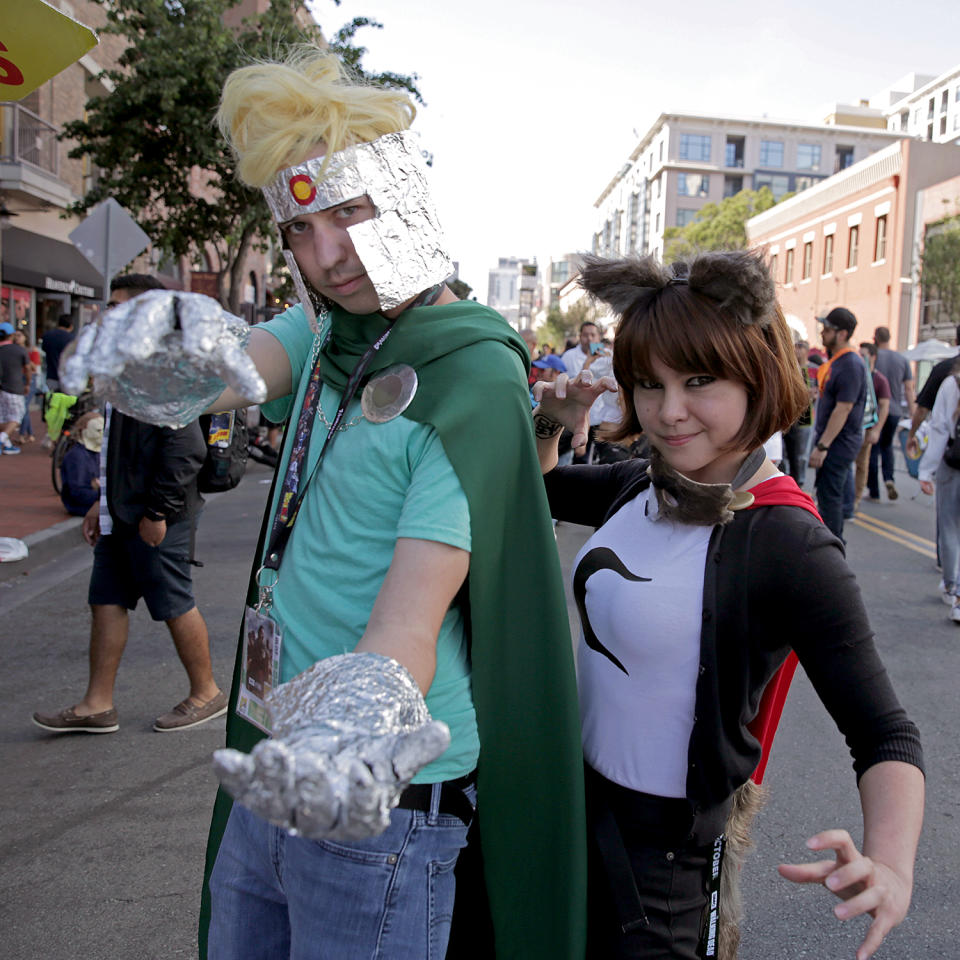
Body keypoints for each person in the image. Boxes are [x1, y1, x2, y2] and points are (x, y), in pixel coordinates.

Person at [60, 47, 585, 960]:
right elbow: (235, 373)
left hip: (373, 793)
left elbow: (414, 617)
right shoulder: (326, 328)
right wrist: (159, 361)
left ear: (411, 209)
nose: (327, 254)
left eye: (350, 212)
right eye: (301, 227)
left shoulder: (471, 376)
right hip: (279, 758)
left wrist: (359, 716)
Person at [532, 251, 925, 960]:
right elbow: (539, 489)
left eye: (700, 380)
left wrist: (891, 867)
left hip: (665, 873)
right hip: (572, 818)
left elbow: (885, 733)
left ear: (756, 373)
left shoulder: (787, 541)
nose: (668, 410)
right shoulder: (641, 486)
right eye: (650, 383)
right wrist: (553, 423)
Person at [33, 274, 226, 735]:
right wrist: (101, 502)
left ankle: (207, 693)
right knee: (107, 599)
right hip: (122, 511)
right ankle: (97, 704)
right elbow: (116, 448)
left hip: (157, 514)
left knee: (174, 601)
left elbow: (186, 449)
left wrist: (157, 513)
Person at [808, 307, 867, 540]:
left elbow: (844, 408)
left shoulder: (850, 363)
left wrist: (823, 446)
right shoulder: (838, 362)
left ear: (842, 334)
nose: (822, 333)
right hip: (834, 442)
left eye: (828, 329)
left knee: (831, 500)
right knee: (827, 496)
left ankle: (833, 552)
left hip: (838, 444)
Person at [917, 364, 960, 619]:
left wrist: (926, 471)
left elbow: (940, 429)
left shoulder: (952, 383)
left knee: (950, 527)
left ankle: (952, 588)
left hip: (954, 463)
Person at [870, 326, 914, 502]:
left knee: (873, 448)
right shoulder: (902, 359)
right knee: (887, 446)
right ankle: (889, 479)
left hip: (876, 411)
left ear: (875, 339)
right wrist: (912, 413)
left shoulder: (874, 357)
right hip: (895, 410)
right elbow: (909, 388)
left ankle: (873, 490)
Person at [854, 344, 891, 509]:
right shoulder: (856, 374)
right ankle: (847, 499)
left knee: (862, 463)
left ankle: (855, 499)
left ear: (873, 356)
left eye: (864, 355)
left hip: (867, 426)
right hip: (851, 427)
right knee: (847, 464)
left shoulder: (879, 379)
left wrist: (876, 430)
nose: (860, 357)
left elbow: (884, 406)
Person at [780, 340, 815, 486]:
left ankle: (799, 481)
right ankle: (787, 480)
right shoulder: (789, 367)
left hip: (806, 417)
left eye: (801, 347)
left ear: (807, 350)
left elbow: (818, 392)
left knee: (800, 454)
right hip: (788, 415)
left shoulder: (814, 369)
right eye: (796, 347)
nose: (797, 350)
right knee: (785, 452)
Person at [59, 415, 103, 516]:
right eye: (98, 430)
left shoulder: (96, 452)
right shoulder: (77, 456)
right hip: (81, 506)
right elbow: (78, 493)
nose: (102, 434)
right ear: (85, 431)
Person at [0, 320, 30, 454]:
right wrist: (27, 384)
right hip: (14, 387)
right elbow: (28, 369)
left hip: (2, 389)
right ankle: (2, 438)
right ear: (11, 335)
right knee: (16, 418)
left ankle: (7, 445)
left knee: (3, 418)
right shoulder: (19, 350)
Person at [41, 314, 76, 393]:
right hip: (66, 377)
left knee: (52, 401)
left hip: (51, 376)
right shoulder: (72, 339)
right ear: (71, 326)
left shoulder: (47, 336)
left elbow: (43, 350)